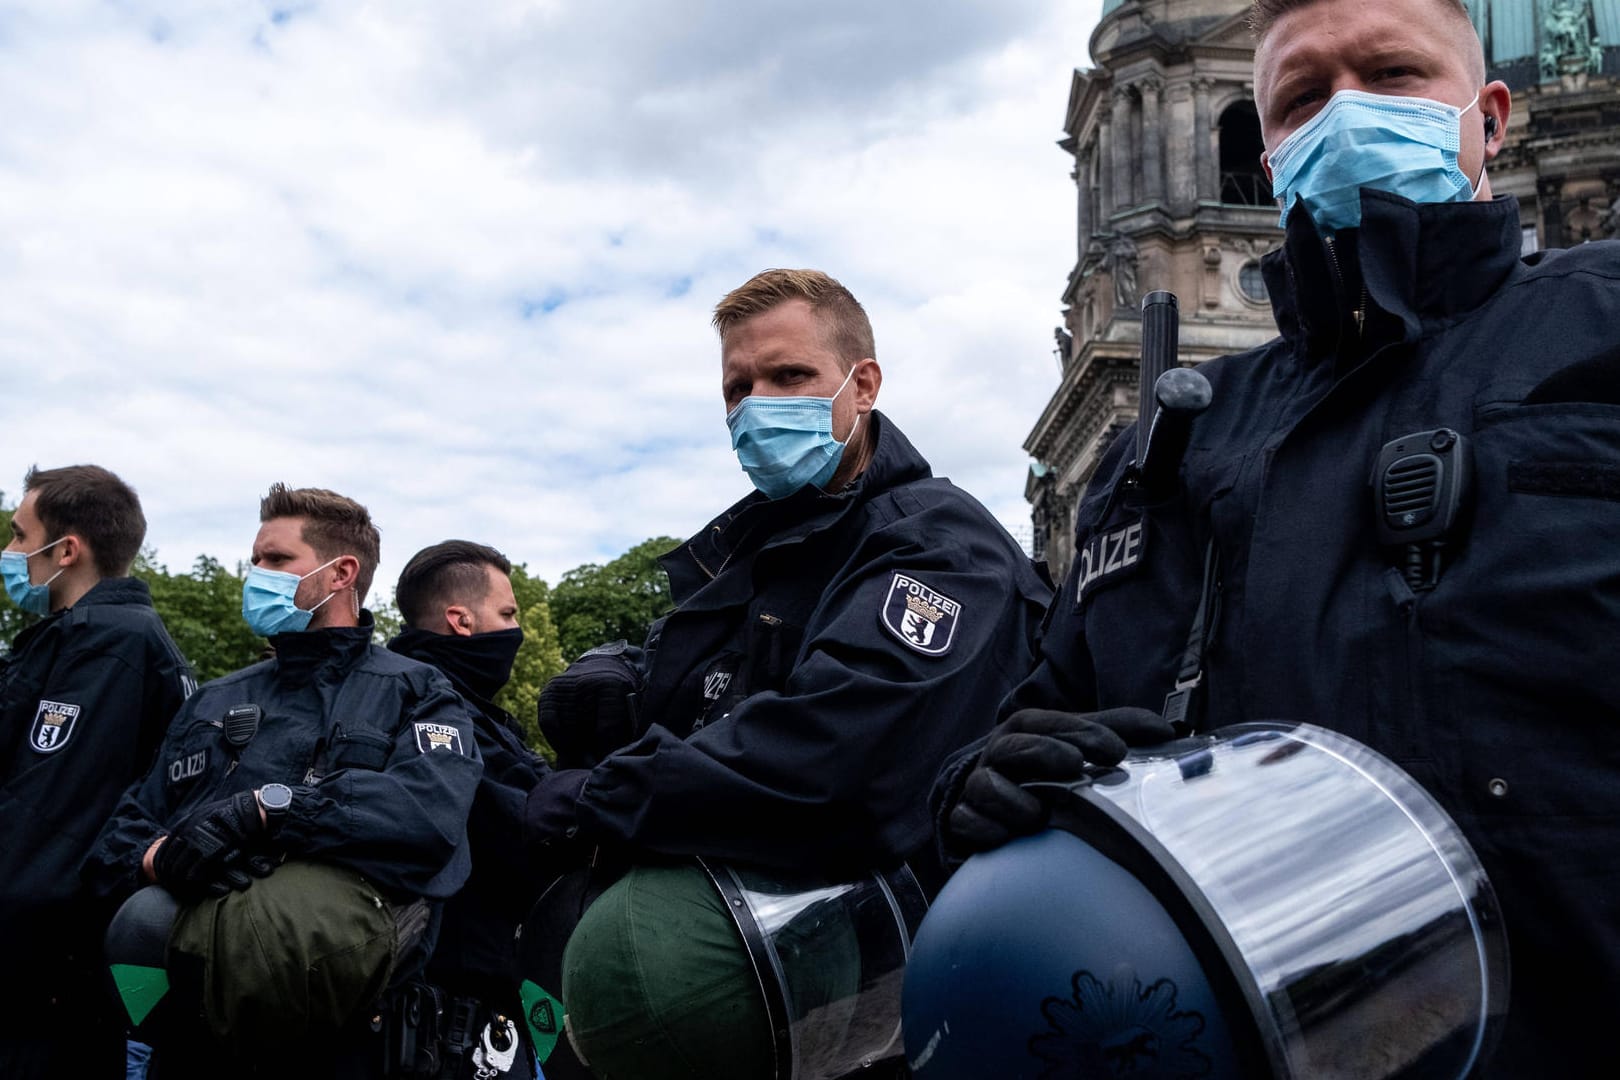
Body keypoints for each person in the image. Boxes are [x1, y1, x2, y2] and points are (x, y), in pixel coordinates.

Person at [934, 0, 1620, 1073]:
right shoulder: (1173, 438)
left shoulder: (1601, 325)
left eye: (1394, 76)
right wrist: (984, 782)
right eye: (1301, 98)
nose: (1347, 114)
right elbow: (1050, 708)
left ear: (1491, 119)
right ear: (1267, 146)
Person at [524, 268, 1051, 1079]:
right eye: (737, 389)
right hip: (745, 992)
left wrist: (604, 799)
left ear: (862, 383)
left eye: (789, 376)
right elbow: (701, 717)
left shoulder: (939, 545)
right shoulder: (750, 557)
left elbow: (837, 758)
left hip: (868, 1003)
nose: (756, 405)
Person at [86, 484, 482, 1080]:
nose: (256, 575)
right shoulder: (216, 700)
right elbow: (116, 841)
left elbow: (427, 817)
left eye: (276, 560)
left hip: (342, 1037)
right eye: (256, 560)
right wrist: (163, 857)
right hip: (190, 1041)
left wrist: (270, 811)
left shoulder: (418, 691)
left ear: (340, 572)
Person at [0, 465, 194, 1080]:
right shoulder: (77, 639)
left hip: (45, 971)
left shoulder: (109, 646)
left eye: (17, 534)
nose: (8, 552)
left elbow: (46, 820)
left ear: (67, 549)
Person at [387, 540, 550, 1080]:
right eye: (506, 614)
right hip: (444, 1012)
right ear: (461, 620)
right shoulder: (435, 709)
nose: (513, 630)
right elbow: (525, 831)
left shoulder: (417, 694)